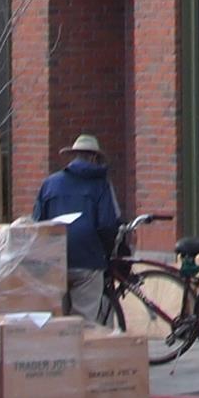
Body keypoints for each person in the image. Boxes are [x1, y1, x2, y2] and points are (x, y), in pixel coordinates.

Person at [31, 133, 123, 323]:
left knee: (58, 321)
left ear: (74, 156)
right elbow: (107, 225)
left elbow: (37, 224)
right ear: (95, 158)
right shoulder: (100, 185)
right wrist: (107, 254)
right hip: (88, 260)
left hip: (54, 262)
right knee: (85, 322)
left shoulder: (49, 183)